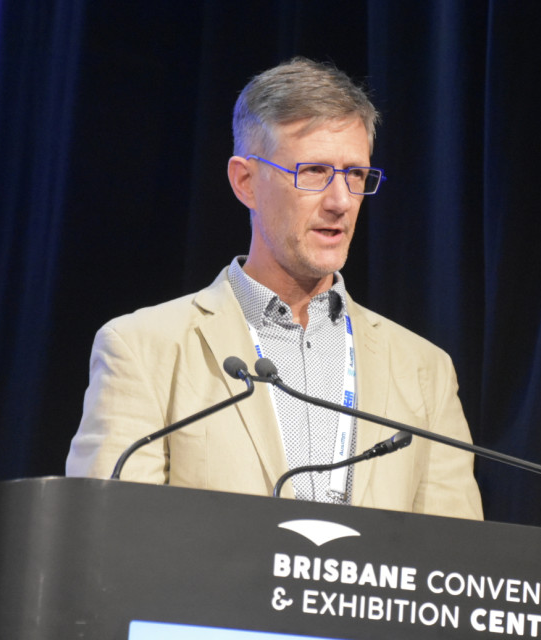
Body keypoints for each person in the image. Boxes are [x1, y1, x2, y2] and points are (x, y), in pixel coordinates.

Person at [66, 57, 483, 520]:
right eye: (314, 172)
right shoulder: (144, 349)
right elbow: (107, 540)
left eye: (356, 175)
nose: (341, 202)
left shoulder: (425, 370)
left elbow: (453, 566)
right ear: (246, 182)